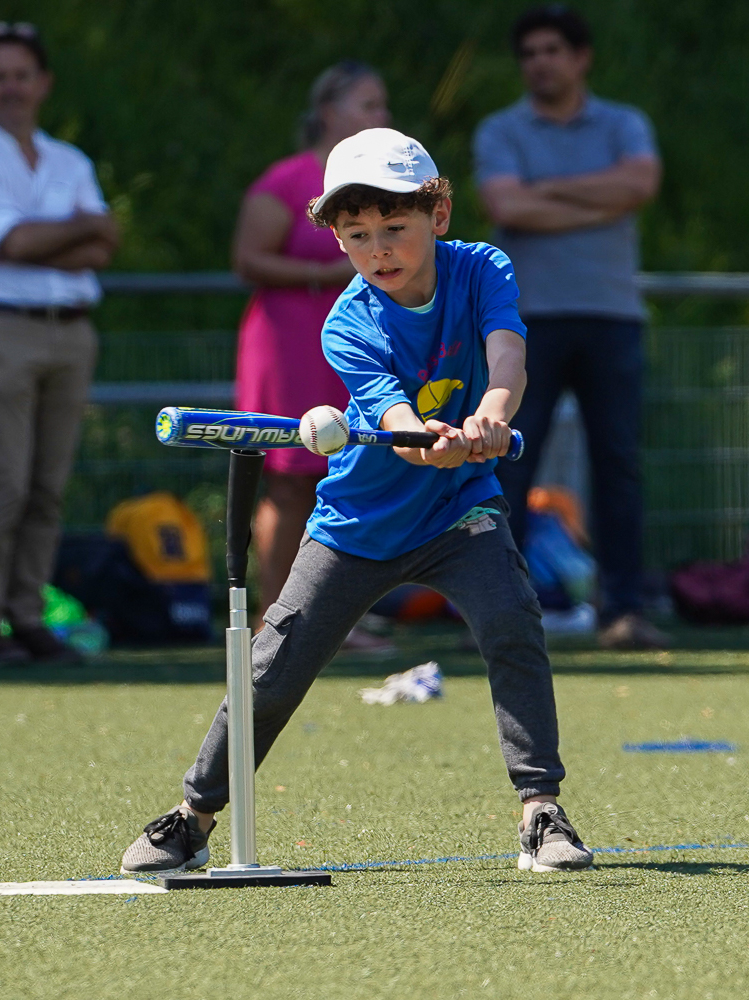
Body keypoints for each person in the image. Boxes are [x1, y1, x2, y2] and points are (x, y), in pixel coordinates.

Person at [121, 128, 592, 875]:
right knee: (272, 668)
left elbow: (508, 354)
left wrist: (493, 411)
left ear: (437, 214)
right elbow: (393, 412)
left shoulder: (482, 269)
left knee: (511, 621)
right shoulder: (348, 322)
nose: (379, 250)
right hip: (357, 525)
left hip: (460, 508)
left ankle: (542, 811)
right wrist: (418, 437)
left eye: (394, 229)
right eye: (357, 235)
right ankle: (192, 816)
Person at [474, 5, 667, 650]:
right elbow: (507, 206)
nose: (540, 63)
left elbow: (639, 185)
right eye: (529, 53)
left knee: (619, 464)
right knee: (505, 462)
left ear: (580, 57)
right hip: (524, 322)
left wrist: (545, 194)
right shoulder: (500, 130)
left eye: (552, 50)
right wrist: (597, 195)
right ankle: (500, 608)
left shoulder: (625, 123)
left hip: (612, 315)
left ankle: (624, 610)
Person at [0, 23, 117, 664]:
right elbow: (20, 241)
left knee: (49, 484)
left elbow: (103, 244)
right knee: (5, 481)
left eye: (20, 74)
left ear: (42, 83)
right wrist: (71, 232)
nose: (10, 87)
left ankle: (27, 612)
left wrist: (29, 241)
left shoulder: (70, 161)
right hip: (2, 326)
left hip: (70, 331)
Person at [233, 60, 393, 649]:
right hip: (287, 341)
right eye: (368, 105)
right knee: (291, 480)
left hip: (348, 342)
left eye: (382, 106)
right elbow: (248, 257)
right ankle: (274, 620)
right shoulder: (290, 178)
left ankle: (328, 620)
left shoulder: (375, 189)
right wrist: (321, 271)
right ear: (329, 112)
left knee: (348, 476)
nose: (382, 116)